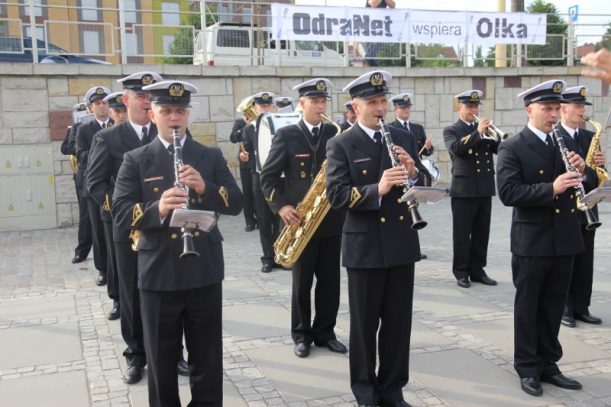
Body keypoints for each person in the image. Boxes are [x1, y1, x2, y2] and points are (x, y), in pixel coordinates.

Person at [112, 80, 243, 406]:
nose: (174, 118)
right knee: (161, 360)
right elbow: (120, 212)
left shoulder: (209, 155)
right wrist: (157, 208)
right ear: (152, 113)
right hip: (159, 273)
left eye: (180, 111)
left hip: (204, 270)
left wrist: (205, 188)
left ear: (188, 114)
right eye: (166, 111)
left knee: (207, 357)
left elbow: (237, 202)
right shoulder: (136, 159)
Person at [326, 70, 430, 407]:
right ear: (356, 107)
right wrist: (378, 188)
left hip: (402, 241)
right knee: (364, 327)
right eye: (372, 102)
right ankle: (366, 393)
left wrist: (414, 172)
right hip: (365, 247)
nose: (381, 108)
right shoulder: (341, 143)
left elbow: (423, 183)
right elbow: (336, 196)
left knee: (398, 326)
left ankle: (392, 391)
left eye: (383, 101)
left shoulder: (403, 136)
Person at [87, 72, 192, 384]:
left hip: (167, 228)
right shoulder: (108, 138)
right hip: (129, 231)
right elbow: (95, 184)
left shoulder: (171, 132)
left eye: (150, 96)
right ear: (126, 99)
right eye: (140, 95)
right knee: (132, 294)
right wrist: (129, 214)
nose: (147, 100)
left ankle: (174, 353)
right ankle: (136, 355)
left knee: (172, 292)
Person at [496, 79, 598, 397]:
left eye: (556, 109)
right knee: (529, 307)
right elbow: (508, 193)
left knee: (554, 305)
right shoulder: (513, 146)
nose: (554, 115)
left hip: (565, 237)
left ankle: (549, 363)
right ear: (530, 110)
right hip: (532, 241)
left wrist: (584, 171)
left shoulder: (565, 143)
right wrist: (550, 189)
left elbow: (588, 182)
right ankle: (527, 366)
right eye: (547, 109)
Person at [260, 78, 347, 358]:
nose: (321, 107)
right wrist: (281, 207)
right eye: (315, 101)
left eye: (323, 102)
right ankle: (301, 335)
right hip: (299, 221)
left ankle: (326, 332)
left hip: (330, 218)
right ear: (302, 103)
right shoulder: (287, 135)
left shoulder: (335, 133)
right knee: (302, 283)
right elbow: (268, 178)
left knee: (330, 282)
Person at [558, 86, 606, 328]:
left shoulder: (589, 137)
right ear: (563, 108)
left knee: (586, 261)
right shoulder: (555, 135)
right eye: (577, 106)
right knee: (567, 261)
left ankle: (581, 308)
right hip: (566, 206)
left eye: (583, 106)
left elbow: (598, 178)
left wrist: (598, 167)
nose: (582, 111)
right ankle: (565, 309)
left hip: (589, 207)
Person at [443, 90, 499, 288]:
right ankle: (461, 271)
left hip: (484, 187)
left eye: (475, 106)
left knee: (481, 232)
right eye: (469, 107)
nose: (473, 110)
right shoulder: (451, 130)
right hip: (463, 189)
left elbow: (499, 150)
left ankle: (478, 270)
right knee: (462, 233)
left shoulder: (484, 129)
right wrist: (478, 133)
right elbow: (457, 149)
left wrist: (496, 136)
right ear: (459, 108)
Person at [234, 92, 286, 273]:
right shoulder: (249, 129)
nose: (265, 109)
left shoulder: (280, 125)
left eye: (268, 105)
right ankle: (267, 258)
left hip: (280, 178)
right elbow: (245, 153)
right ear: (255, 108)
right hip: (260, 179)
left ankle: (280, 256)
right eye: (262, 106)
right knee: (264, 221)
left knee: (280, 220)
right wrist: (241, 156)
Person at [76, 86, 113, 286]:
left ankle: (117, 267)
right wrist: (102, 152)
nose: (101, 106)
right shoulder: (84, 129)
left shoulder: (117, 125)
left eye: (104, 102)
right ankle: (103, 270)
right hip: (94, 187)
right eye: (97, 103)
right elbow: (80, 154)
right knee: (98, 231)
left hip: (114, 185)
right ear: (91, 108)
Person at [61, 102, 92, 264]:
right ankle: (82, 250)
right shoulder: (77, 127)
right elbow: (67, 147)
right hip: (84, 173)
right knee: (86, 215)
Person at [230, 98, 257, 232]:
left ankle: (260, 218)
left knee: (259, 193)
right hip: (246, 162)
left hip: (258, 162)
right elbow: (232, 138)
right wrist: (246, 127)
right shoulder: (240, 122)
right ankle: (249, 221)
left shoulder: (262, 121)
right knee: (248, 193)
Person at [389, 93, 433, 158]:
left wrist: (428, 147)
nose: (406, 109)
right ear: (395, 110)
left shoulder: (418, 128)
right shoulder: (390, 128)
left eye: (408, 107)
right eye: (403, 107)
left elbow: (424, 151)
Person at [363, 0, 395, 66]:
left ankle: (368, 60)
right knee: (369, 45)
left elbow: (393, 5)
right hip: (369, 23)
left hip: (381, 24)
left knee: (382, 41)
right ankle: (370, 62)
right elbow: (373, 4)